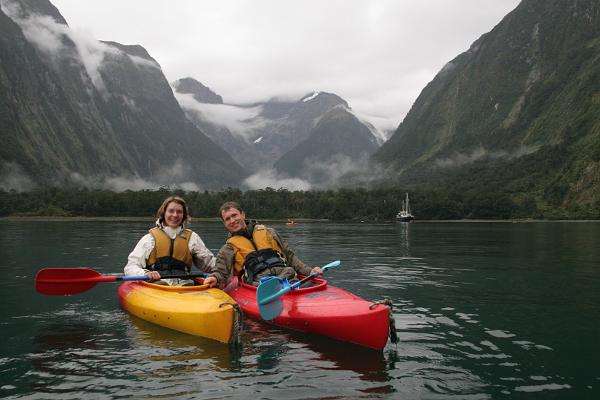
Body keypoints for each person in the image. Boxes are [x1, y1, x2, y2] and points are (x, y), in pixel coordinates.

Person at [203, 201, 322, 288]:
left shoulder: (270, 232)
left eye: (234, 215)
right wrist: (214, 278)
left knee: (290, 270)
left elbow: (290, 257)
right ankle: (276, 286)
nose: (232, 221)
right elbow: (220, 271)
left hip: (283, 272)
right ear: (224, 223)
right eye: (228, 219)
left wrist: (309, 271)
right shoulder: (228, 248)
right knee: (262, 282)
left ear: (242, 215)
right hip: (256, 281)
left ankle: (284, 285)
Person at [124, 196, 215, 286]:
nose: (175, 215)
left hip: (185, 286)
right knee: (162, 284)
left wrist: (223, 270)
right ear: (164, 213)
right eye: (171, 211)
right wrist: (145, 273)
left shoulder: (192, 238)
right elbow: (130, 267)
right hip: (156, 284)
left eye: (179, 212)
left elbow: (209, 264)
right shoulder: (149, 238)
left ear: (183, 215)